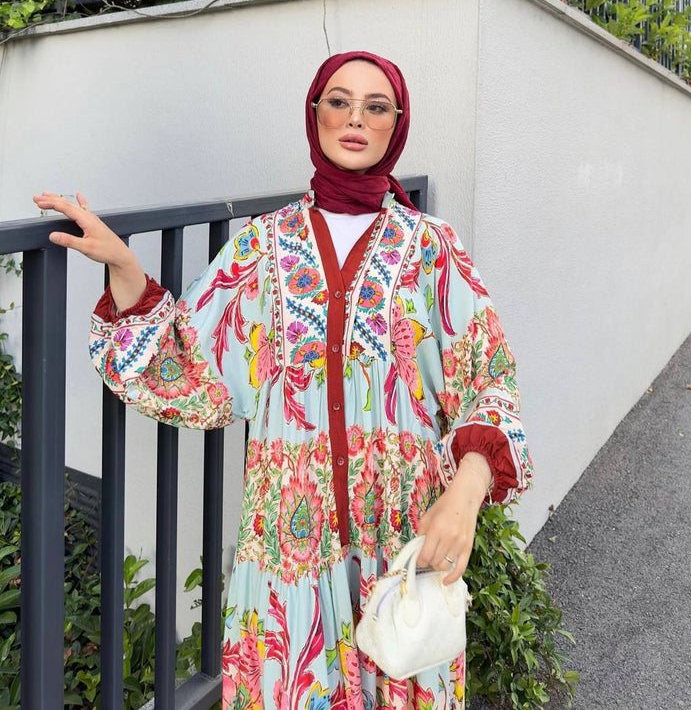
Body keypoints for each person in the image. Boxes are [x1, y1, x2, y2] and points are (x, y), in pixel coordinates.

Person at [34, 50, 533, 710]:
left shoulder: (432, 247)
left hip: (402, 544)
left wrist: (467, 490)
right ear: (315, 114)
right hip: (287, 555)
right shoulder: (262, 247)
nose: (355, 117)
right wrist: (126, 269)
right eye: (338, 100)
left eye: (376, 105)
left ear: (397, 124)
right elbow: (193, 364)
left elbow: (488, 378)